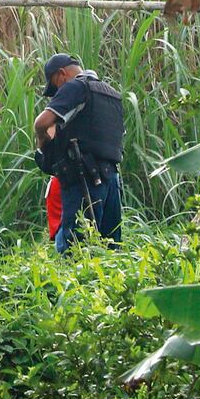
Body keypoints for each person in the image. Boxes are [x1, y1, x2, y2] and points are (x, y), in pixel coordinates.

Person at [33, 53, 123, 254]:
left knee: (75, 250)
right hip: (112, 181)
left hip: (85, 180)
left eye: (55, 87)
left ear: (61, 75)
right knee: (111, 251)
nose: (57, 92)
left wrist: (43, 142)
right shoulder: (112, 94)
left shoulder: (75, 86)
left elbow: (41, 123)